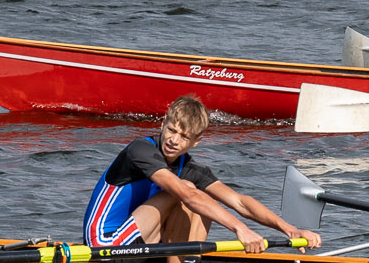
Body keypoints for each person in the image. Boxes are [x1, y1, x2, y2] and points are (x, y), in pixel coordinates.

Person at [83, 95, 316, 254]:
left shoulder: (192, 169)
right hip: (105, 244)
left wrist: (289, 229)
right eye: (172, 130)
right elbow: (187, 194)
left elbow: (240, 202)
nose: (173, 140)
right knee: (187, 191)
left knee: (203, 194)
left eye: (184, 137)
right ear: (163, 124)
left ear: (196, 141)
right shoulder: (140, 150)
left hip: (140, 240)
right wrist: (239, 230)